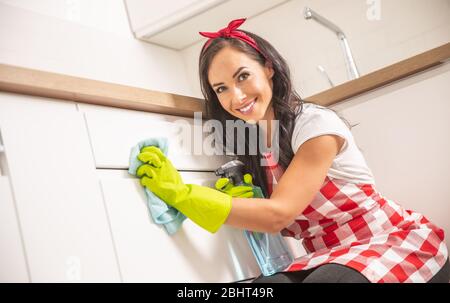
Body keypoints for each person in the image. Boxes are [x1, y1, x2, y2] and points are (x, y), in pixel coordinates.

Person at [136, 18, 449, 283]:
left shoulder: (315, 125)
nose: (237, 96)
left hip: (389, 242)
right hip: (323, 256)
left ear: (269, 68)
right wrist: (247, 203)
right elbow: (279, 219)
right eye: (221, 89)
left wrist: (183, 195)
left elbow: (279, 214)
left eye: (243, 76)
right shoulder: (253, 146)